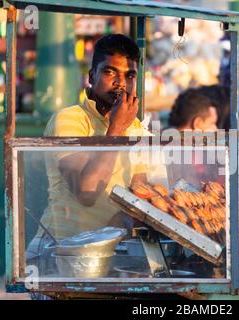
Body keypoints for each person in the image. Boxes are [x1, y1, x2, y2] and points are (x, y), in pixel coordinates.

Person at [26, 34, 152, 277]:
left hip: (103, 255)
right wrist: (116, 129)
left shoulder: (136, 128)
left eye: (129, 75)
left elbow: (140, 196)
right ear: (92, 76)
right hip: (59, 251)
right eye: (110, 72)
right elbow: (86, 191)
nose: (121, 83)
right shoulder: (70, 119)